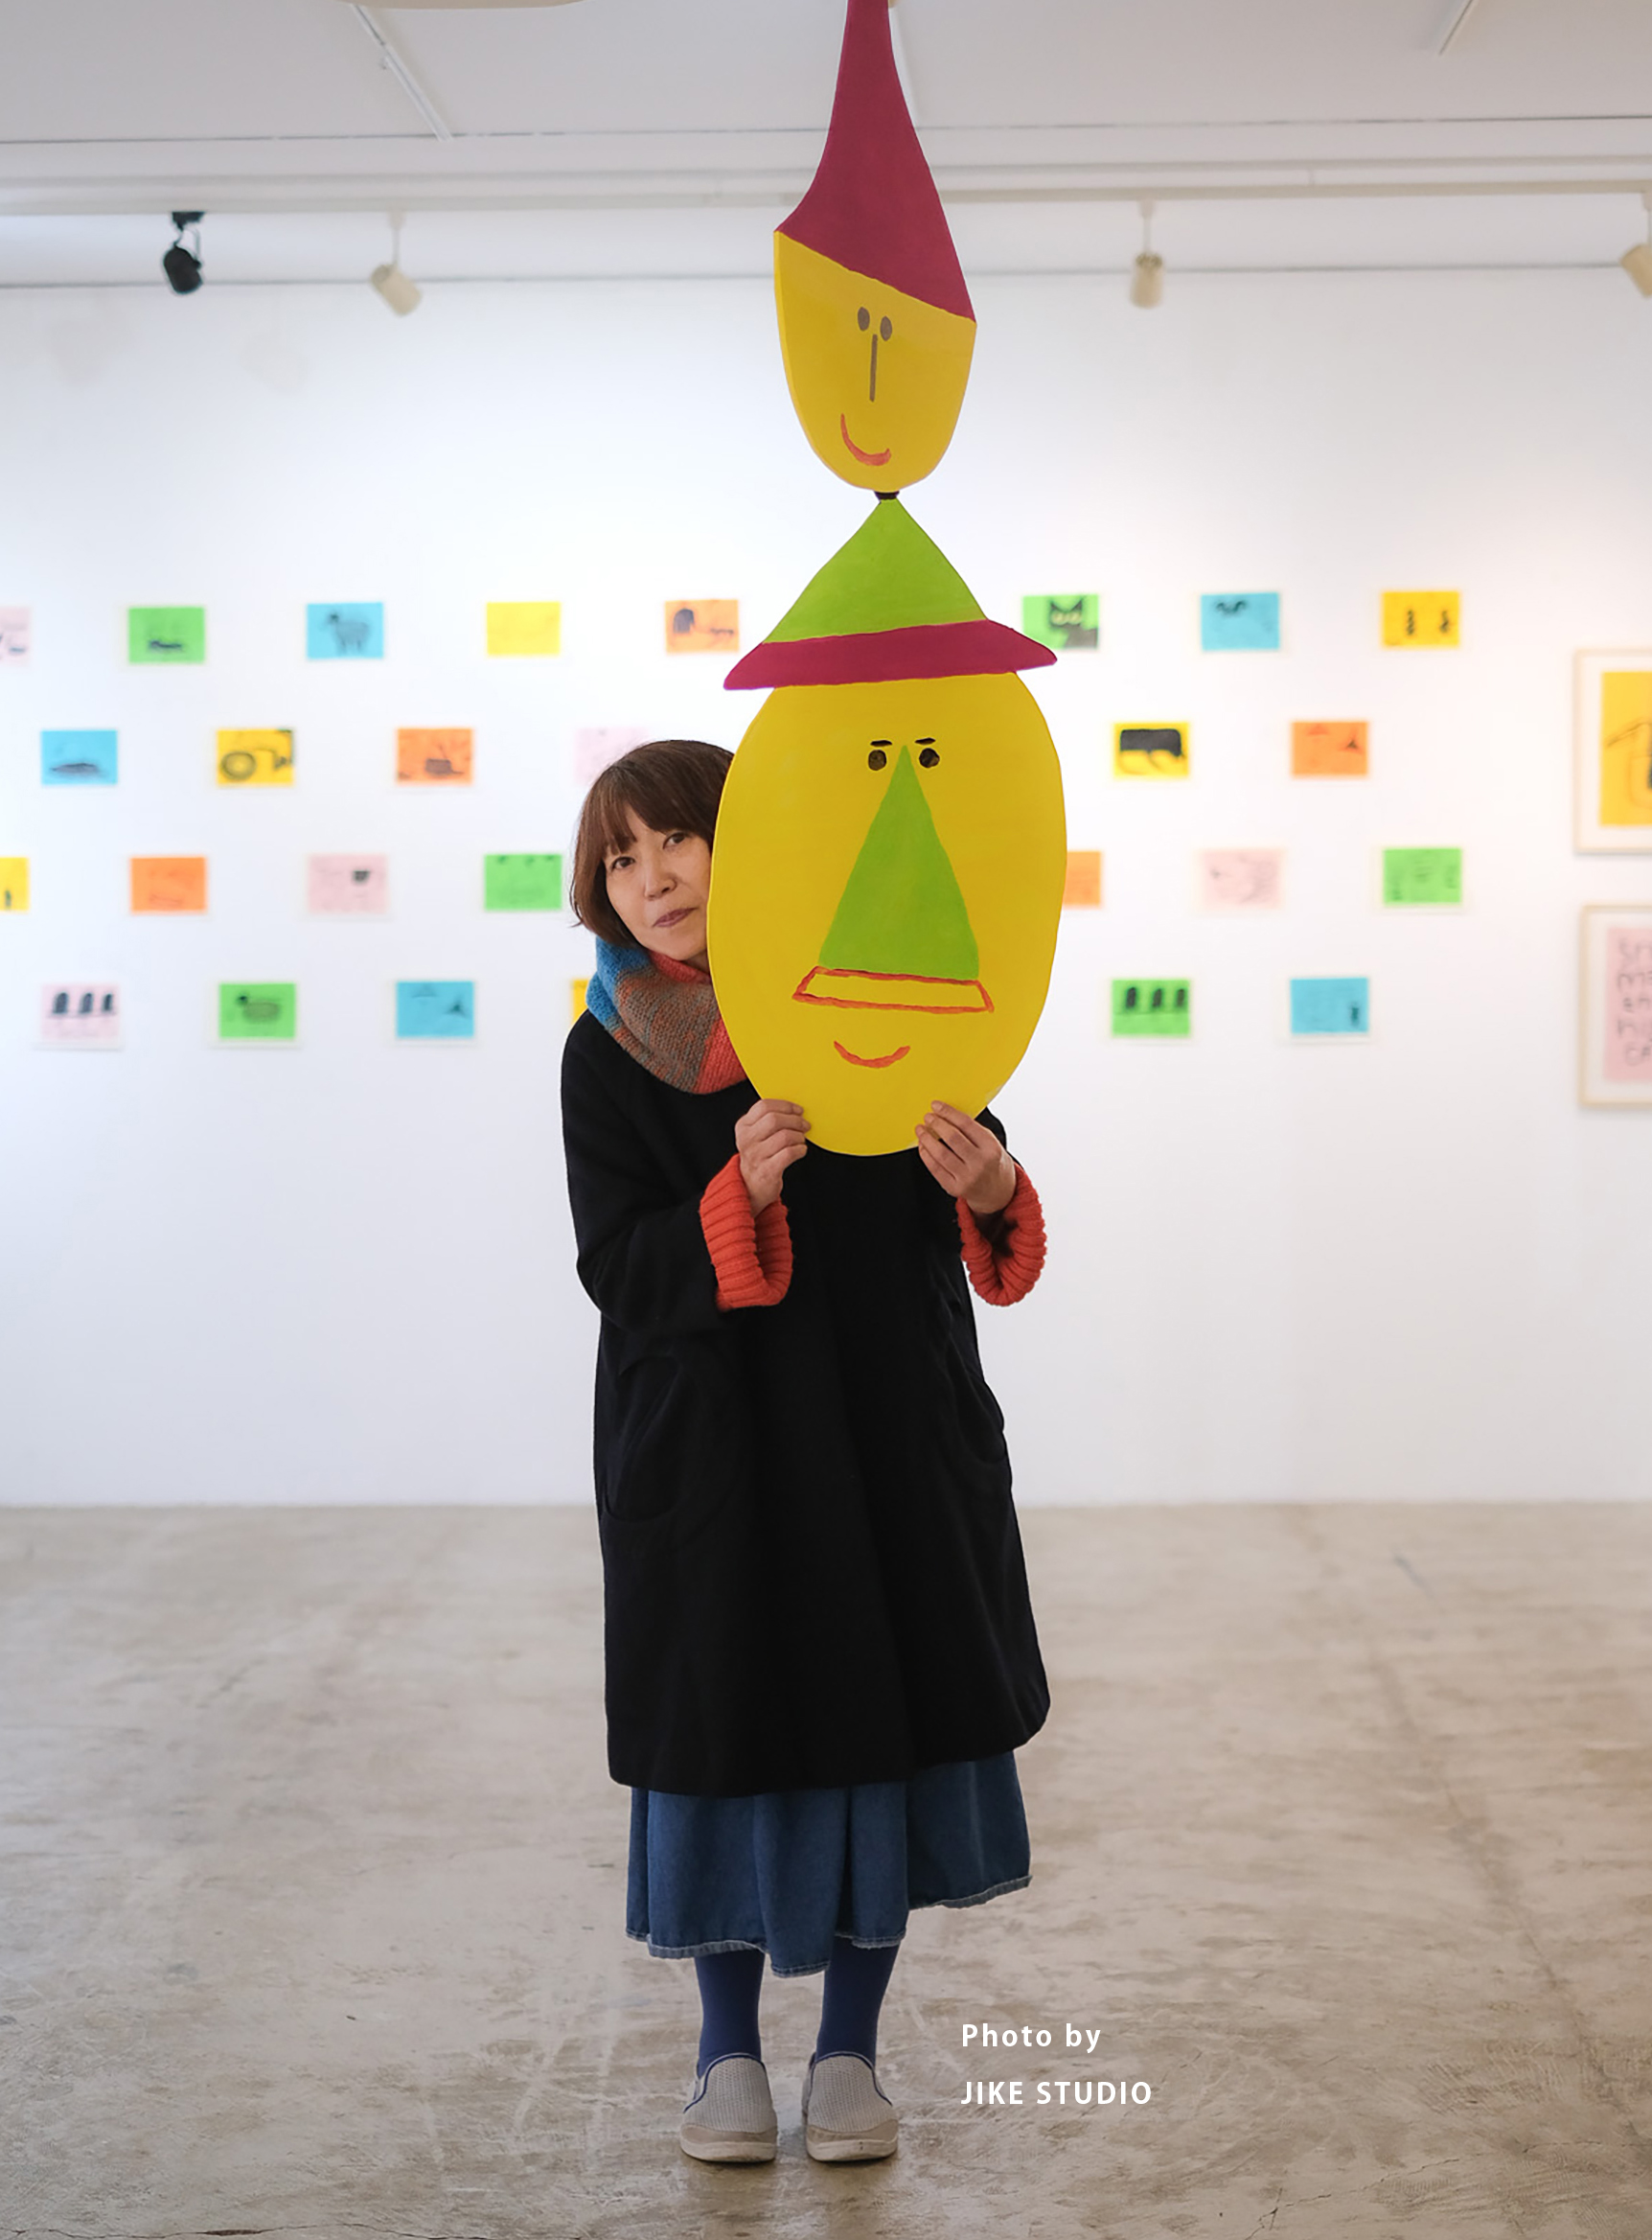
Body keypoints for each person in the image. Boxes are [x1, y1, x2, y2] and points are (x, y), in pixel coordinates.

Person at [560, 736, 1049, 2166]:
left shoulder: (871, 997)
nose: (652, 879)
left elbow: (968, 1191)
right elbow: (616, 1265)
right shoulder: (609, 1047)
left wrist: (990, 1183)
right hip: (711, 1458)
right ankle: (724, 2055)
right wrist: (739, 1192)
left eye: (678, 839)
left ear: (759, 841)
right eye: (621, 858)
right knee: (723, 1731)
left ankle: (850, 2054)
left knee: (878, 1731)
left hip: (883, 1431)